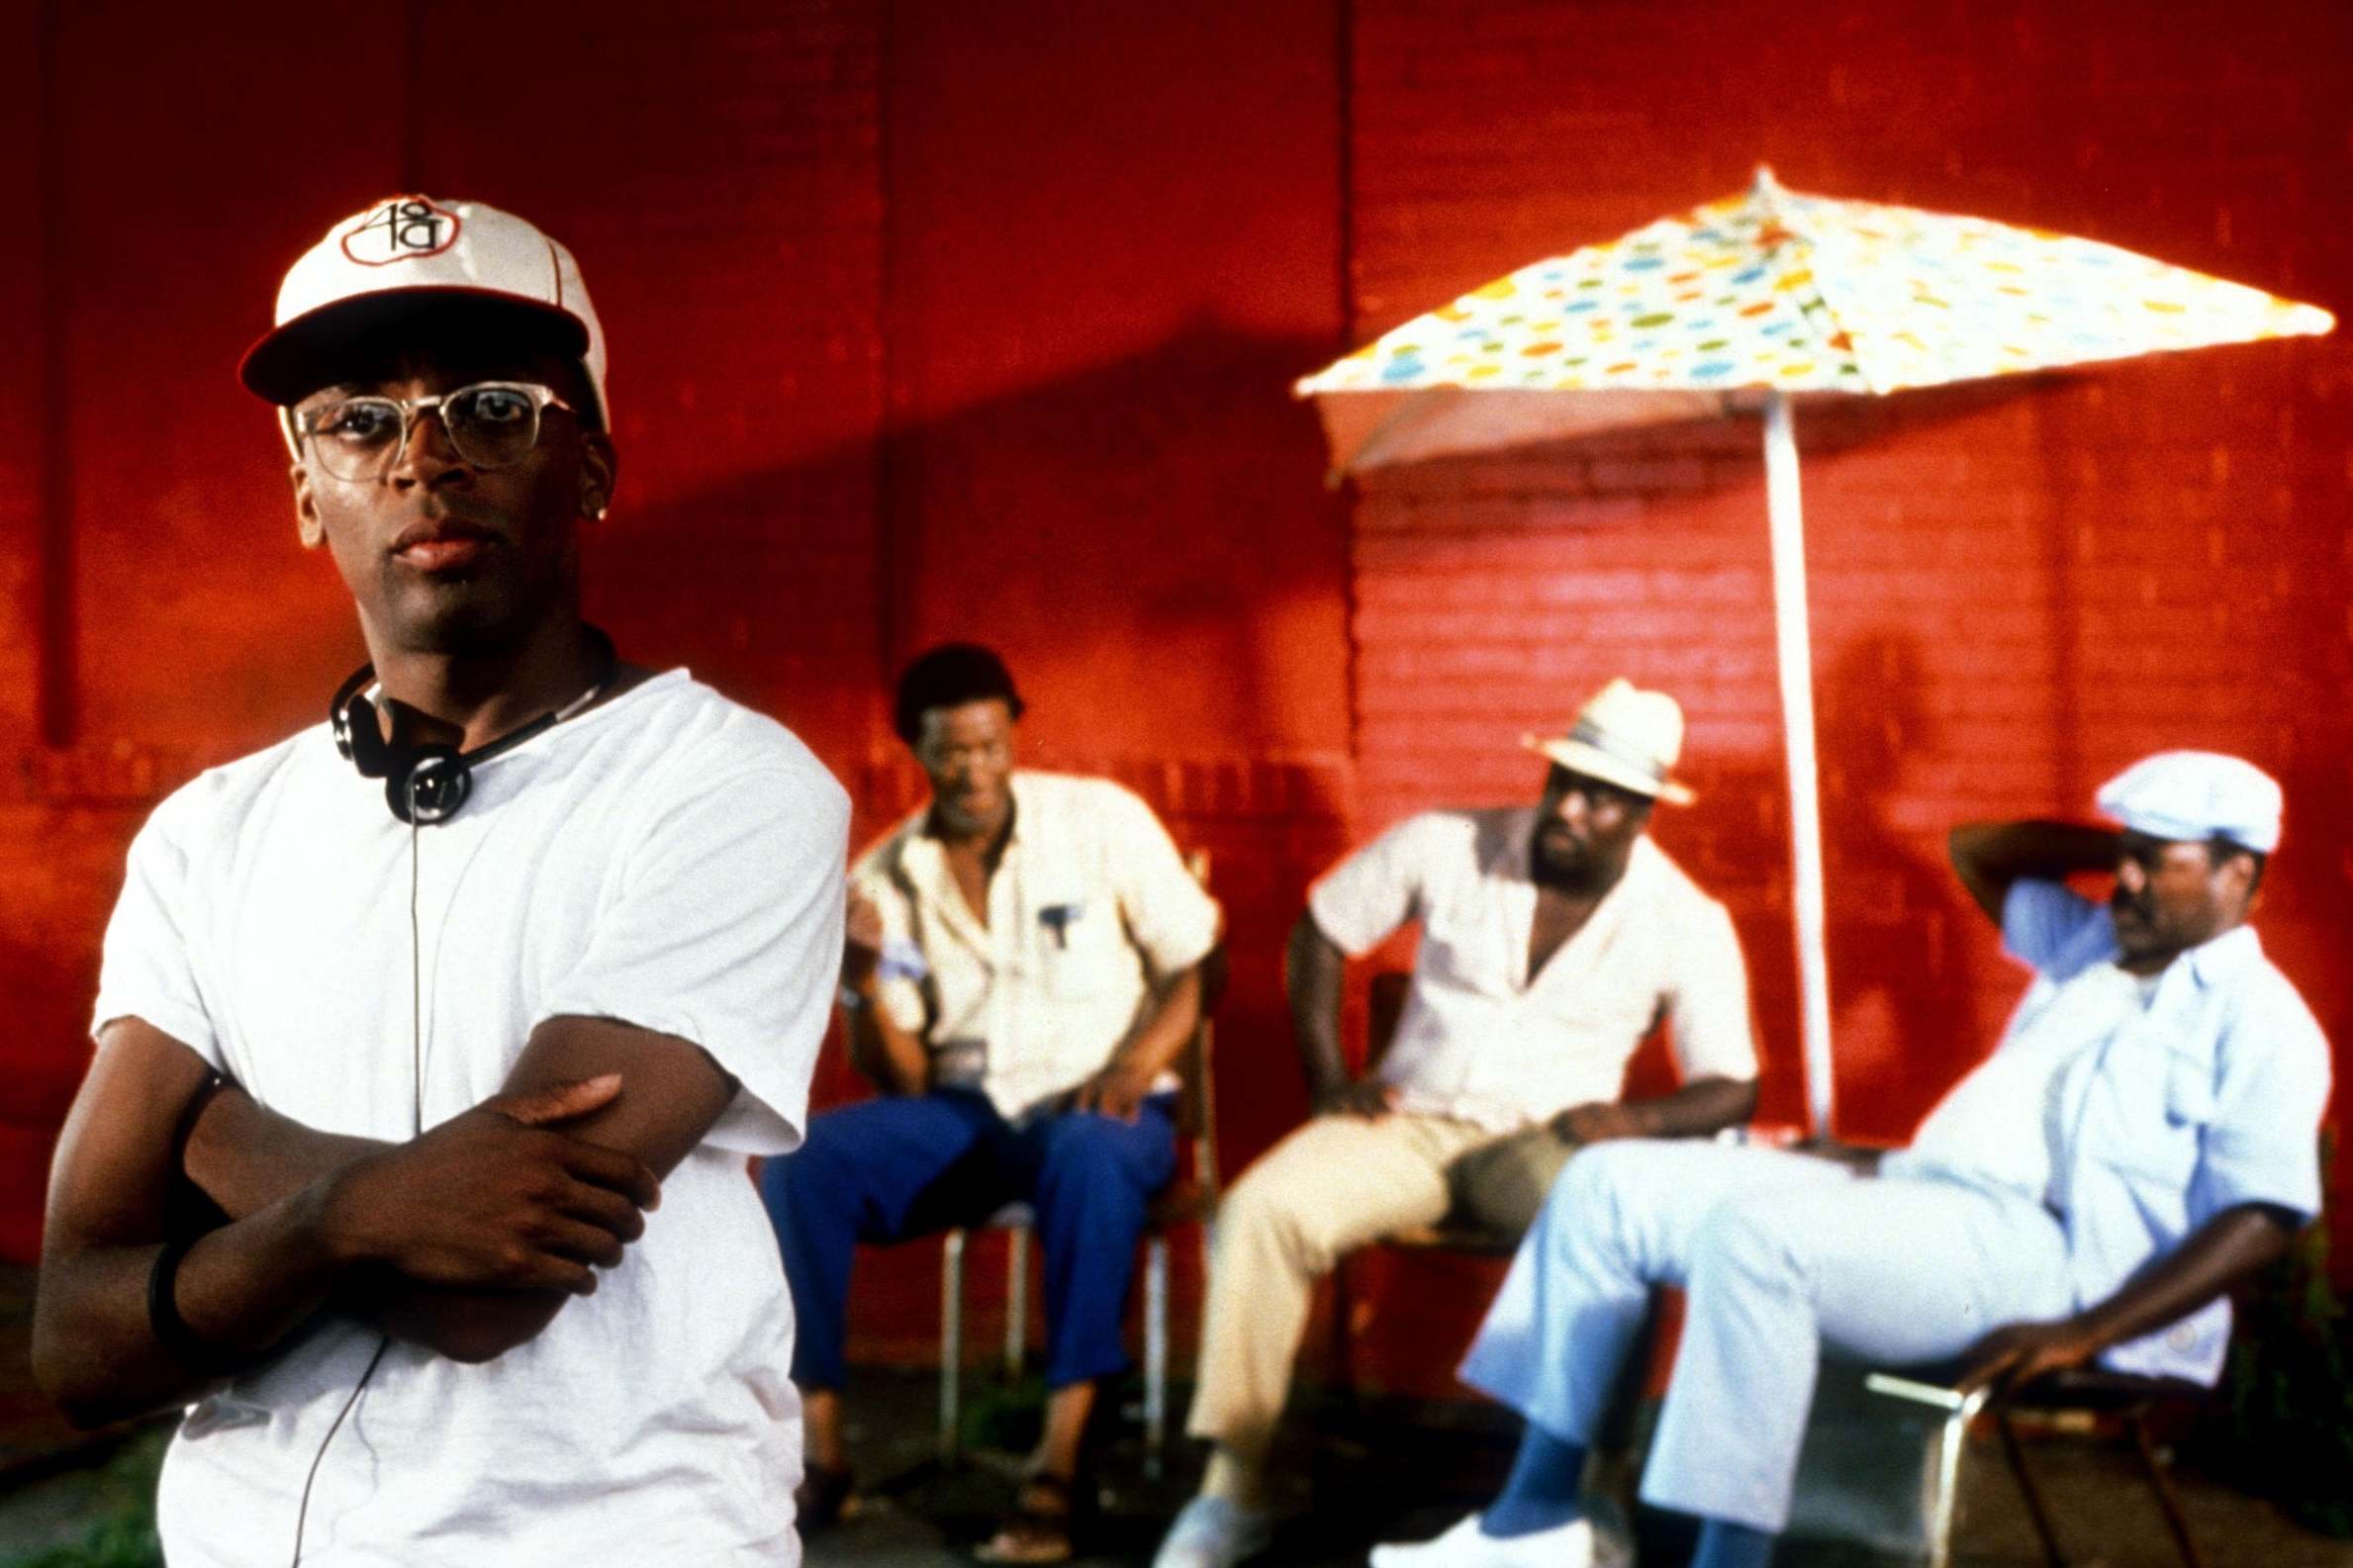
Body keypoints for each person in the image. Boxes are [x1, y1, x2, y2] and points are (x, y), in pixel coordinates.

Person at [32, 195, 849, 1567]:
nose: (422, 458)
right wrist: (360, 1216)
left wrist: (207, 1130)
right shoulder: (204, 835)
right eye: (358, 418)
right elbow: (78, 1341)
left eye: (489, 405)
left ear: (587, 459)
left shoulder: (728, 787)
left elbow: (489, 1286)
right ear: (305, 490)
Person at [1370, 750, 2330, 1568]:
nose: (2120, 882)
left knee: (1756, 1242)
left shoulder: (2261, 1024)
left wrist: (2084, 1330)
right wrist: (2123, 850)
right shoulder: (2089, 948)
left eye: (2153, 863)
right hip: (1921, 1195)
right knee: (1604, 1184)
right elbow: (1979, 850)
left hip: (2056, 1264)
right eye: (2119, 857)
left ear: (2237, 875)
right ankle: (1537, 1519)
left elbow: (2262, 1217)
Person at [1156, 679, 1760, 1568]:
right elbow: (1320, 926)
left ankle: (1594, 1490)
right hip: (1410, 1123)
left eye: (1602, 799)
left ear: (1642, 816)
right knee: (1262, 1210)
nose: (1572, 808)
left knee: (1620, 1248)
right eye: (1565, 782)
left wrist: (1631, 1116)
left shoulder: (1685, 919)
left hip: (1545, 1145)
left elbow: (1731, 1086)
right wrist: (1329, 1076)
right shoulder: (1449, 841)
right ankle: (1232, 1489)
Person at [762, 642, 1222, 1563]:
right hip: (973, 1113)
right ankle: (821, 1453)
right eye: (950, 752)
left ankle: (1060, 1464)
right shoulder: (889, 877)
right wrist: (857, 978)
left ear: (1013, 730)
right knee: (799, 1163)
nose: (974, 770)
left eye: (989, 745)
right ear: (916, 751)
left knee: (1087, 1151)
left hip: (1106, 1108)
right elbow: (905, 1076)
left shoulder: (1100, 821)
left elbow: (1193, 964)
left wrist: (1135, 1064)